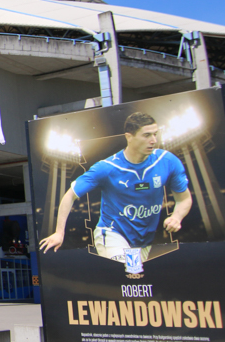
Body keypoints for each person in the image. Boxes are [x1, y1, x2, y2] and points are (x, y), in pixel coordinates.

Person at [39, 112, 193, 276]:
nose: (153, 140)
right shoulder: (107, 168)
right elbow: (70, 195)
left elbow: (184, 199)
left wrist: (177, 217)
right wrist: (59, 232)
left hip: (144, 242)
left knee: (136, 287)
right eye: (147, 135)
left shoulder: (167, 161)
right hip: (113, 234)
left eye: (155, 134)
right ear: (129, 137)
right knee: (131, 274)